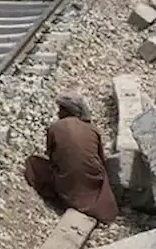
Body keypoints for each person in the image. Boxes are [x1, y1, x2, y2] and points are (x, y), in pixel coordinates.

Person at [24, 93, 118, 223]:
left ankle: (65, 198)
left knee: (33, 163)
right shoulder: (93, 129)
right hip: (93, 182)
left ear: (67, 111)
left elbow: (53, 158)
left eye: (61, 109)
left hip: (68, 186)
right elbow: (100, 159)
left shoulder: (55, 127)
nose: (58, 113)